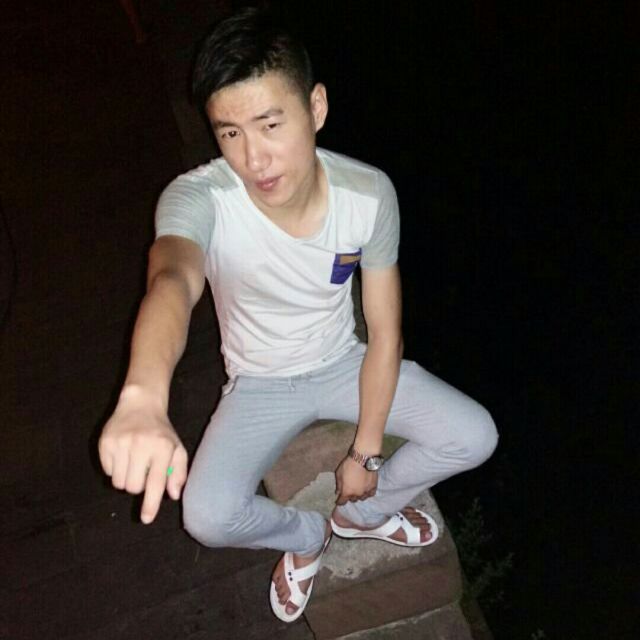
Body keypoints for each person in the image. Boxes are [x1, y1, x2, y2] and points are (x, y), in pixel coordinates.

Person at [98, 6, 498, 623]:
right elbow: (171, 280)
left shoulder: (368, 195)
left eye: (269, 124)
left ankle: (364, 515)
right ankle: (305, 536)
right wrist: (143, 396)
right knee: (206, 517)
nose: (254, 159)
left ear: (316, 107)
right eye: (230, 133)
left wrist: (365, 456)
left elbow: (385, 331)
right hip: (258, 383)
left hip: (344, 362)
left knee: (475, 435)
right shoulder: (201, 198)